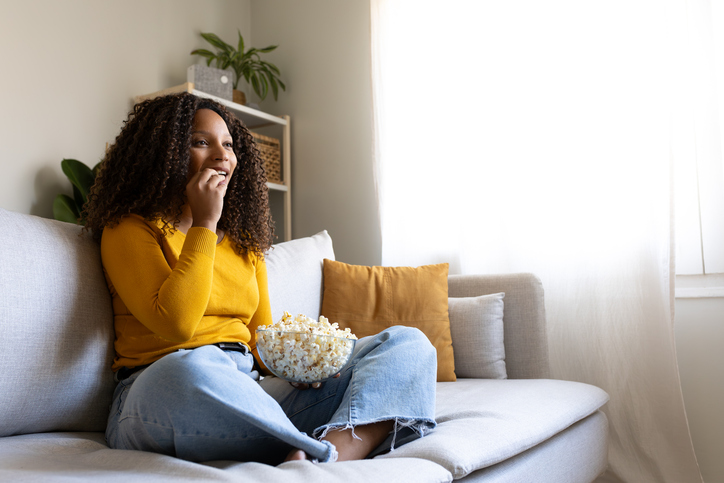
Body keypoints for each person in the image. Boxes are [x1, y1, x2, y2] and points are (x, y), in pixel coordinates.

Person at [83, 92, 437, 465]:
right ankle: (316, 447)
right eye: (201, 142)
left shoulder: (243, 243)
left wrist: (294, 371)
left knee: (407, 343)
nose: (223, 156)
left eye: (229, 145)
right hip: (159, 389)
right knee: (189, 369)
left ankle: (329, 457)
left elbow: (260, 340)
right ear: (164, 152)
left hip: (248, 390)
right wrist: (205, 223)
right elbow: (177, 323)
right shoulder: (129, 227)